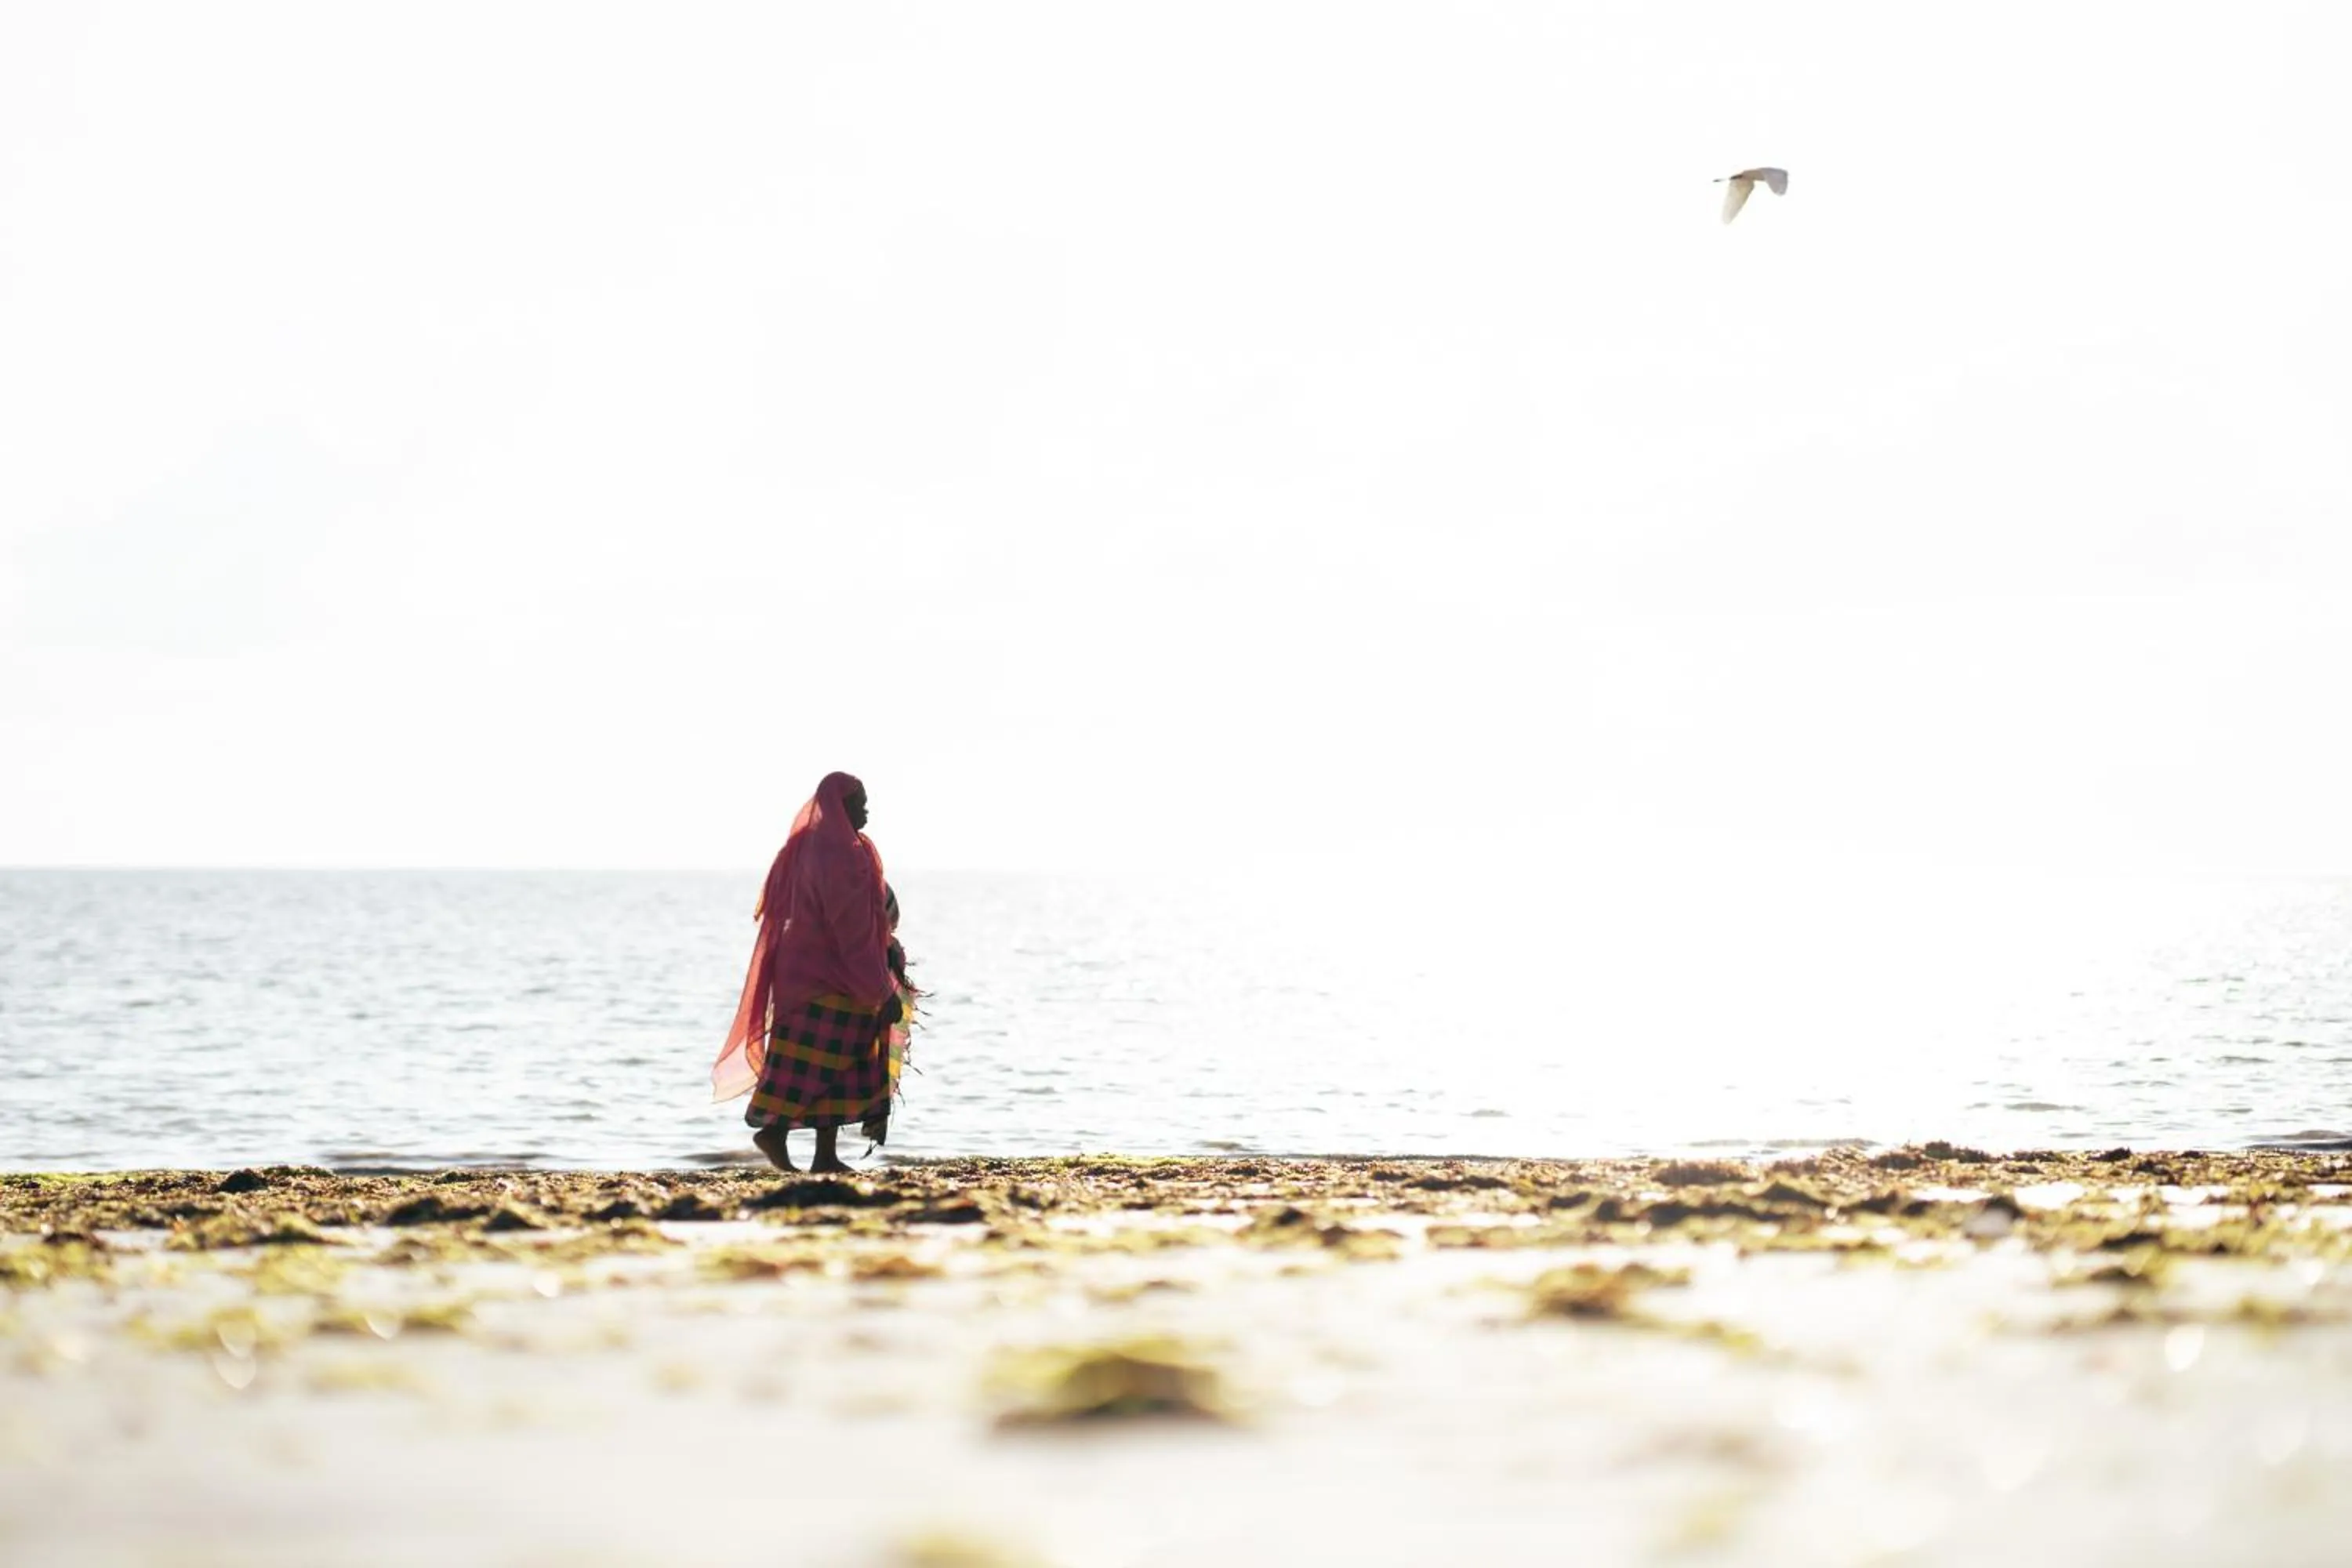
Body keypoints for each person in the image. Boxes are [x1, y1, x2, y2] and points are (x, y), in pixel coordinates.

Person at [711, 772, 914, 1174]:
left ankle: (818, 1153)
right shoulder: (845, 856)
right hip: (836, 979)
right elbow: (851, 928)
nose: (867, 810)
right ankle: (782, 1136)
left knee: (817, 1064)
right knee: (831, 1062)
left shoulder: (802, 848)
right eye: (861, 802)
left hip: (798, 976)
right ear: (842, 806)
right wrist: (879, 988)